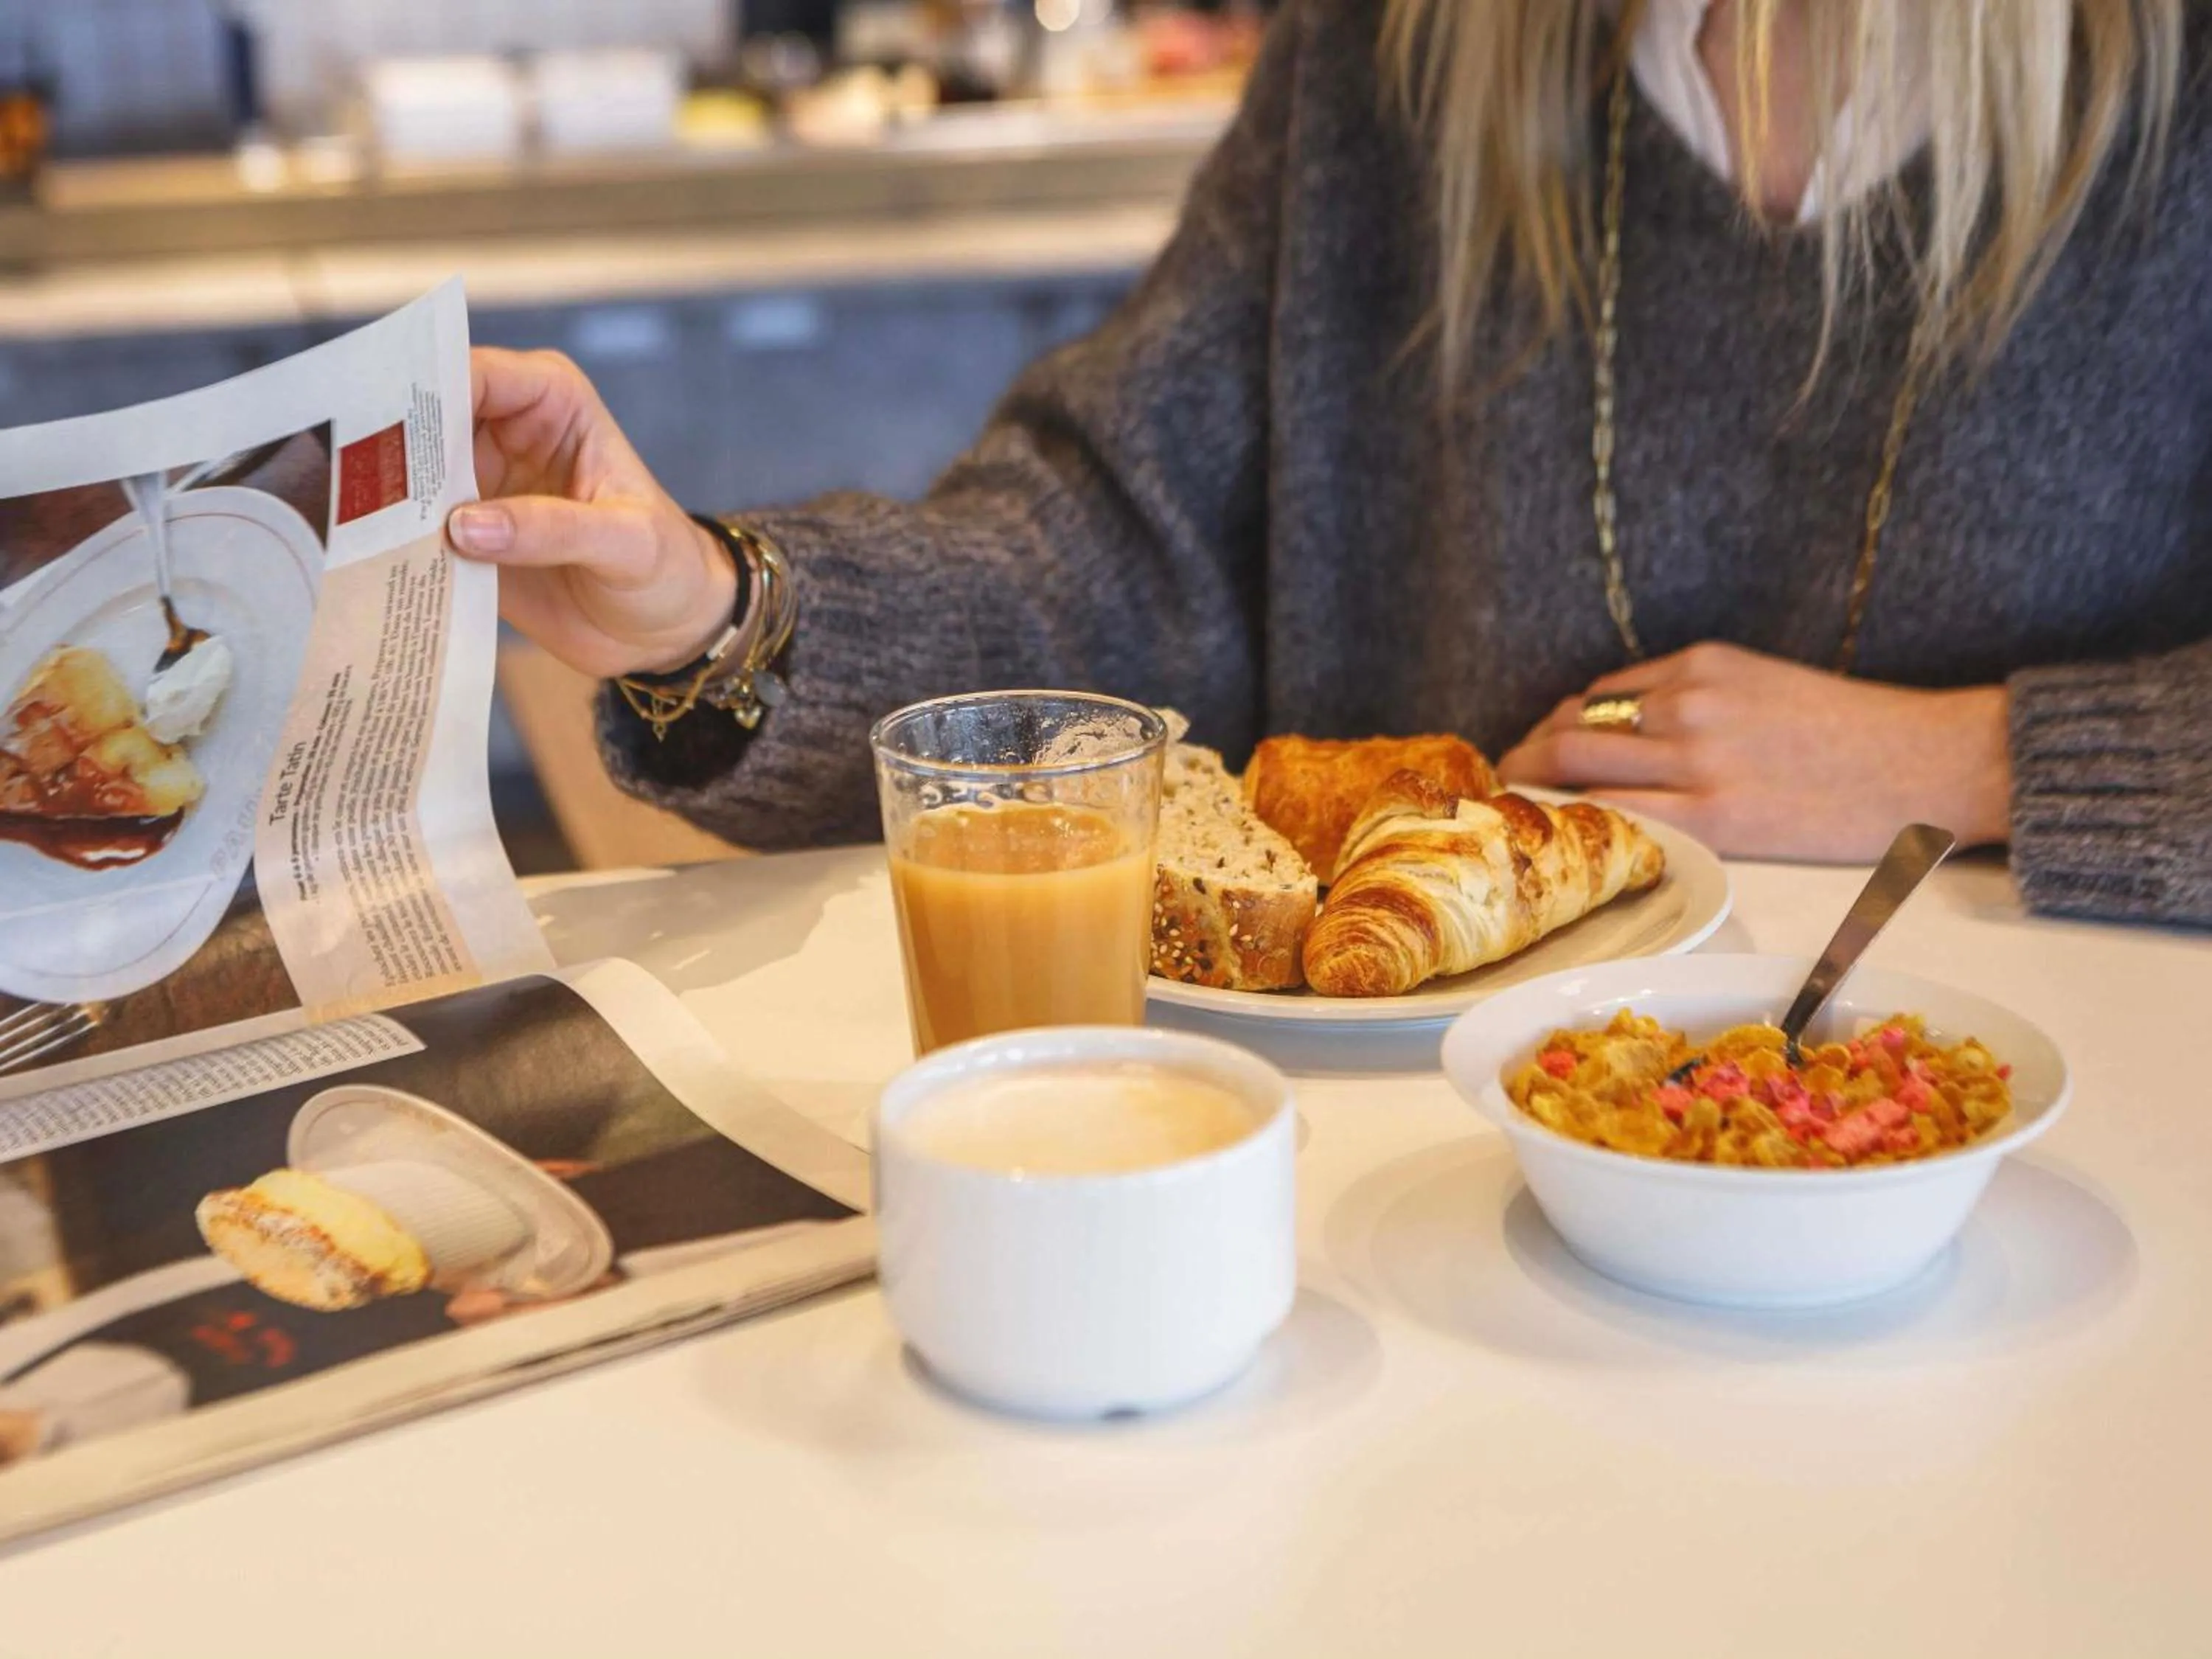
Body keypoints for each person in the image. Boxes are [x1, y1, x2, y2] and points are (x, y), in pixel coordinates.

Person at [447, 0, 2212, 926]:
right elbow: (1109, 561)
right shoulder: (1392, 59)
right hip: (1431, 1184)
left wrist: (1979, 759)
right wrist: (718, 617)